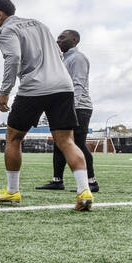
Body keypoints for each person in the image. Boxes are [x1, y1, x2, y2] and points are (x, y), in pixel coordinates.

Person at [0, 0, 93, 210]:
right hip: (63, 86)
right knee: (67, 141)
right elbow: (57, 55)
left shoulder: (5, 31)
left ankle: (12, 192)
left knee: (13, 138)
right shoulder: (39, 24)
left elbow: (13, 58)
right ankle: (84, 191)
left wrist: (4, 92)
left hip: (34, 87)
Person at [36, 30, 99, 192]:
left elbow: (78, 84)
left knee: (77, 143)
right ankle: (57, 180)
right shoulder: (62, 60)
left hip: (79, 107)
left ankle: (91, 182)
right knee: (60, 143)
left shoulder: (78, 58)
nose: (58, 41)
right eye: (57, 38)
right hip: (65, 107)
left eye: (62, 38)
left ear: (75, 40)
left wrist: (72, 107)